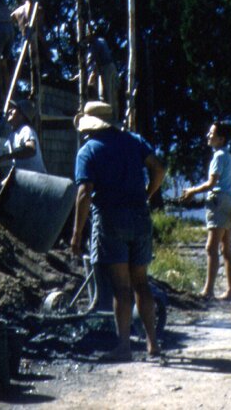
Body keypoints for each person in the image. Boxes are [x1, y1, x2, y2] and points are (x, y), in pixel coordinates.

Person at [70, 101, 166, 361]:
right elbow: (158, 168)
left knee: (121, 288)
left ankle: (123, 346)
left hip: (111, 218)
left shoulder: (88, 150)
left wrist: (77, 233)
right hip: (139, 215)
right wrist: (147, 194)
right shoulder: (133, 141)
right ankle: (152, 343)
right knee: (141, 283)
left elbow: (83, 194)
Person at [179, 121, 231, 301]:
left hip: (218, 202)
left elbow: (211, 183)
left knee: (211, 247)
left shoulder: (218, 156)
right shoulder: (227, 155)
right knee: (226, 247)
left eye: (212, 133)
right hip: (230, 201)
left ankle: (208, 290)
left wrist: (192, 191)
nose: (208, 136)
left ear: (221, 138)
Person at [0, 99, 46, 174]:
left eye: (13, 109)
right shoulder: (12, 135)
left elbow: (31, 149)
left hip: (36, 180)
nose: (9, 111)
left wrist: (7, 157)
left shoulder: (26, 130)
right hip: (25, 180)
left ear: (22, 115)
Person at [84, 31, 118, 112]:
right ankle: (113, 115)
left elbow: (90, 60)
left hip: (106, 68)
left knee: (105, 93)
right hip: (112, 67)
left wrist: (86, 71)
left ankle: (108, 116)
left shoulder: (95, 44)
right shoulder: (101, 40)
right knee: (112, 94)